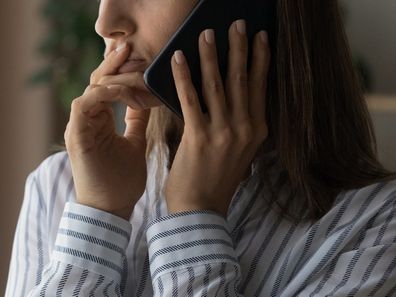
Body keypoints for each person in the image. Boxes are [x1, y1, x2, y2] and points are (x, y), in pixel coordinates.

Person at [5, 0, 396, 296]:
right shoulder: (57, 187)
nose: (105, 23)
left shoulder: (377, 227)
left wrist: (195, 216)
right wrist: (98, 215)